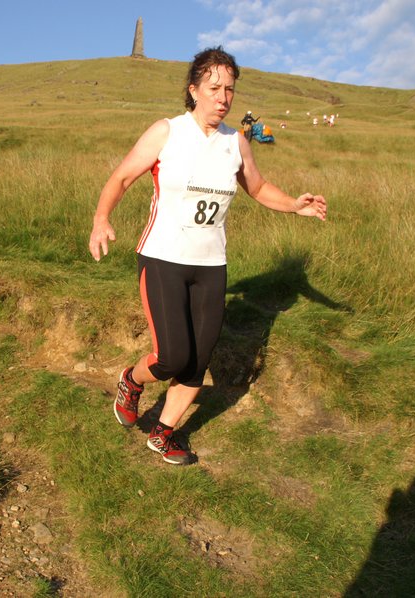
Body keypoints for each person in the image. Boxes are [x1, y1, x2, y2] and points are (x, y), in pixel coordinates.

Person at [88, 47, 327, 466]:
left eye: (229, 89)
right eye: (214, 88)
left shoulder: (236, 142)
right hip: (162, 257)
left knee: (198, 361)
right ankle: (131, 380)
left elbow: (257, 187)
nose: (223, 97)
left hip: (211, 265)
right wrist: (101, 218)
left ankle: (163, 433)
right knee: (172, 357)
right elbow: (122, 177)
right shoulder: (166, 132)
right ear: (194, 90)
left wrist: (294, 205)